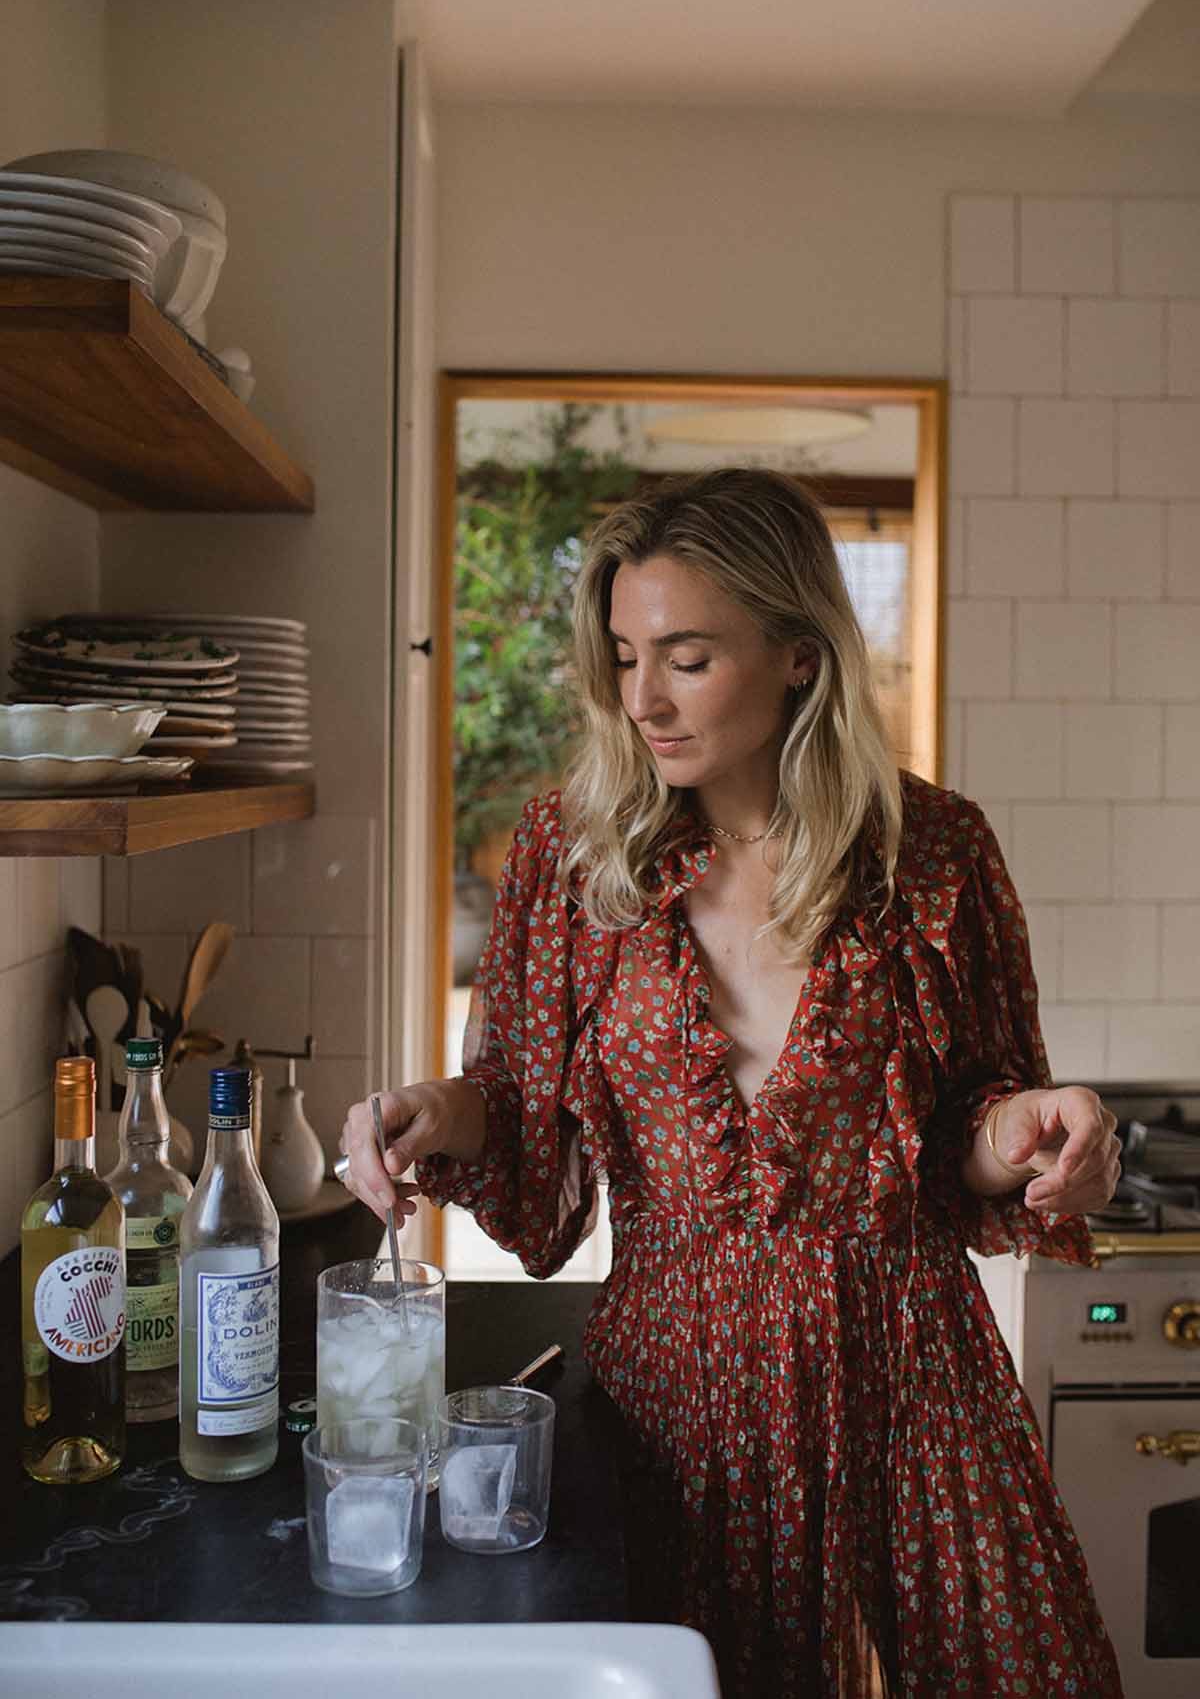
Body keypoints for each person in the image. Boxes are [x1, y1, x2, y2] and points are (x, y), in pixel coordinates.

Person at [339, 467, 1124, 1698]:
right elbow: (521, 1109)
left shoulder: (937, 852)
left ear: (800, 656)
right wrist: (439, 1109)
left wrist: (1027, 1126)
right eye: (624, 654)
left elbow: (973, 1124)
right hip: (680, 1393)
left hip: (911, 1370)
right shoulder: (573, 849)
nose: (641, 698)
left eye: (688, 657)